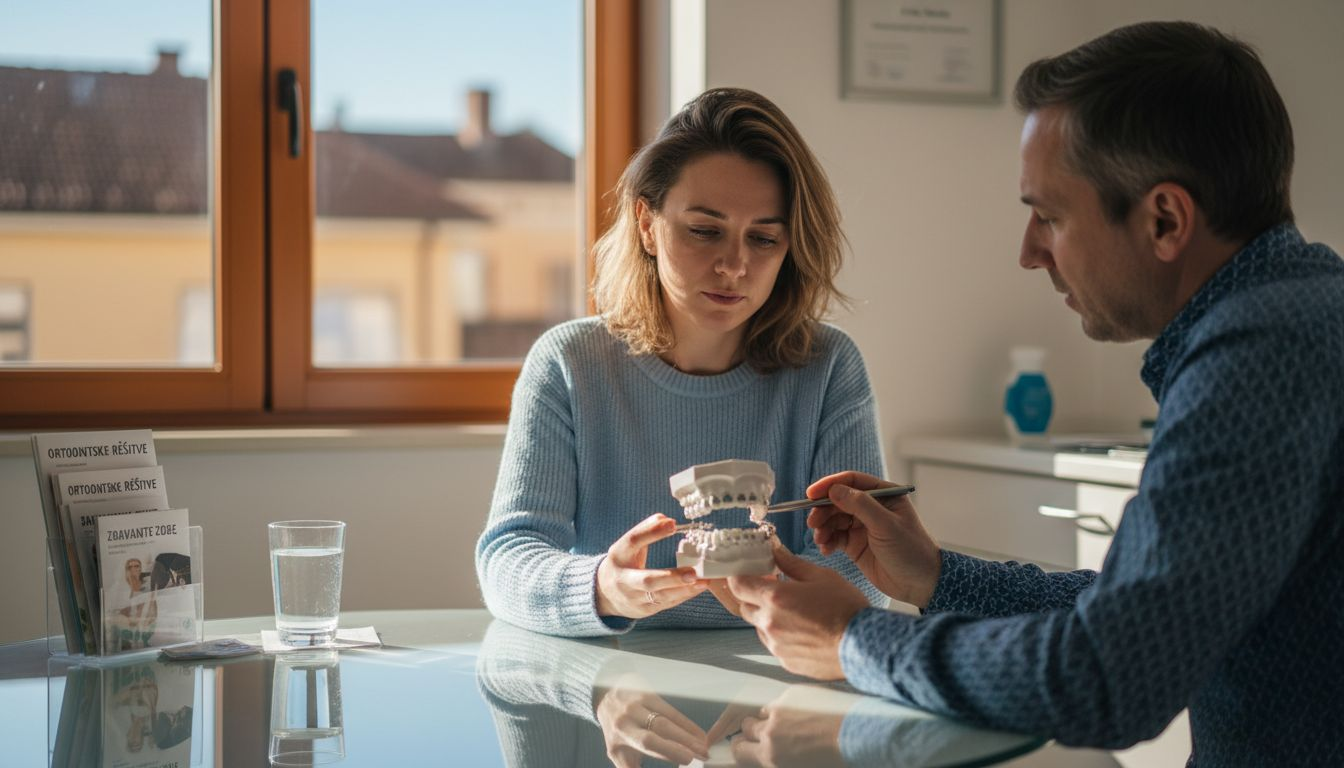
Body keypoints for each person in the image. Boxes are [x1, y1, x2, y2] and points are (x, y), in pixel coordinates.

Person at [727, 20, 1344, 766]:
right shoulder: (1301, 314)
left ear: (1165, 219)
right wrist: (938, 577)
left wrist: (852, 640)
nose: (1028, 253)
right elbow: (1147, 613)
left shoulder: (1258, 353)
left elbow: (1109, 675)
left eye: (1048, 216)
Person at [475, 87, 888, 637]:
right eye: (704, 231)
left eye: (764, 238)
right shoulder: (569, 364)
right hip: (610, 689)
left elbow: (862, 567)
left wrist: (774, 598)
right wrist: (601, 587)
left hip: (782, 681)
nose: (734, 265)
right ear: (647, 223)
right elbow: (508, 557)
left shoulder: (829, 367)